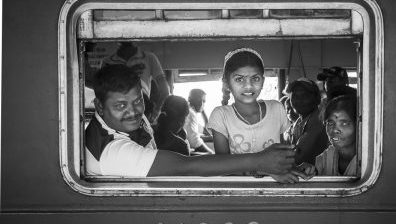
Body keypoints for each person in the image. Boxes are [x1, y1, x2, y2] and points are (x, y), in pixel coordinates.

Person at [85, 64, 295, 177]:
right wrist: (259, 161)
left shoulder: (128, 120)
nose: (133, 112)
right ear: (100, 106)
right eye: (120, 105)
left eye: (138, 101)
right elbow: (186, 166)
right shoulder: (112, 151)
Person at [207, 48, 298, 183]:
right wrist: (265, 171)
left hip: (276, 189)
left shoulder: (276, 109)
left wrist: (297, 168)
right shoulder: (221, 115)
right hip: (238, 192)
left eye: (255, 78)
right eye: (239, 79)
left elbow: (283, 156)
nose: (248, 86)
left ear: (263, 80)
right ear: (227, 83)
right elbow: (222, 166)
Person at [101, 42, 170, 124]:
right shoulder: (107, 62)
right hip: (119, 113)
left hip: (140, 109)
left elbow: (165, 91)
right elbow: (102, 94)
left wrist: (154, 113)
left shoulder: (149, 57)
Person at [297, 95, 357, 178]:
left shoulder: (368, 160)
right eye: (330, 123)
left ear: (358, 126)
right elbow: (315, 174)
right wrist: (308, 171)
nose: (335, 130)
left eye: (344, 123)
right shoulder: (327, 157)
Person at [284, 78, 329, 165]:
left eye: (304, 96)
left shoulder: (318, 120)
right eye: (295, 96)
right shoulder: (298, 122)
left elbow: (297, 156)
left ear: (317, 98)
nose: (299, 100)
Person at [184, 89, 214, 154]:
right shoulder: (190, 114)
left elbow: (206, 132)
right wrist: (211, 153)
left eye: (204, 101)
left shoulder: (190, 111)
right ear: (189, 99)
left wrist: (202, 111)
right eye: (198, 100)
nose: (201, 104)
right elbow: (194, 142)